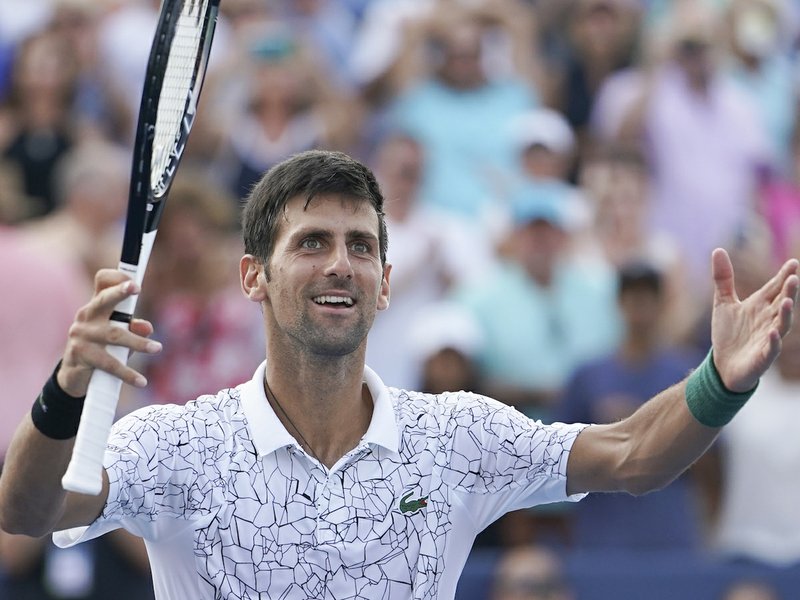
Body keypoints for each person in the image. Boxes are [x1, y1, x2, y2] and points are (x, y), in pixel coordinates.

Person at [0, 150, 797, 600]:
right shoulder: (177, 444)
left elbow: (632, 455)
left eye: (359, 246)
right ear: (254, 277)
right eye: (310, 243)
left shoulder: (456, 434)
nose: (339, 264)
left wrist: (719, 381)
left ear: (386, 281)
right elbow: (25, 510)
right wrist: (64, 391)